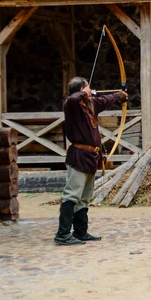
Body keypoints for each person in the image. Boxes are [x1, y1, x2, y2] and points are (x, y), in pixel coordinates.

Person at [54, 76, 128, 245]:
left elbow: (105, 99)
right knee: (72, 195)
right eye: (87, 87)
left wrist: (119, 95)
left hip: (90, 158)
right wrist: (84, 93)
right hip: (79, 155)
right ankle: (62, 234)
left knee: (84, 197)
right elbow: (72, 98)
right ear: (81, 90)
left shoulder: (90, 105)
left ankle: (80, 232)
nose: (91, 89)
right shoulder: (71, 106)